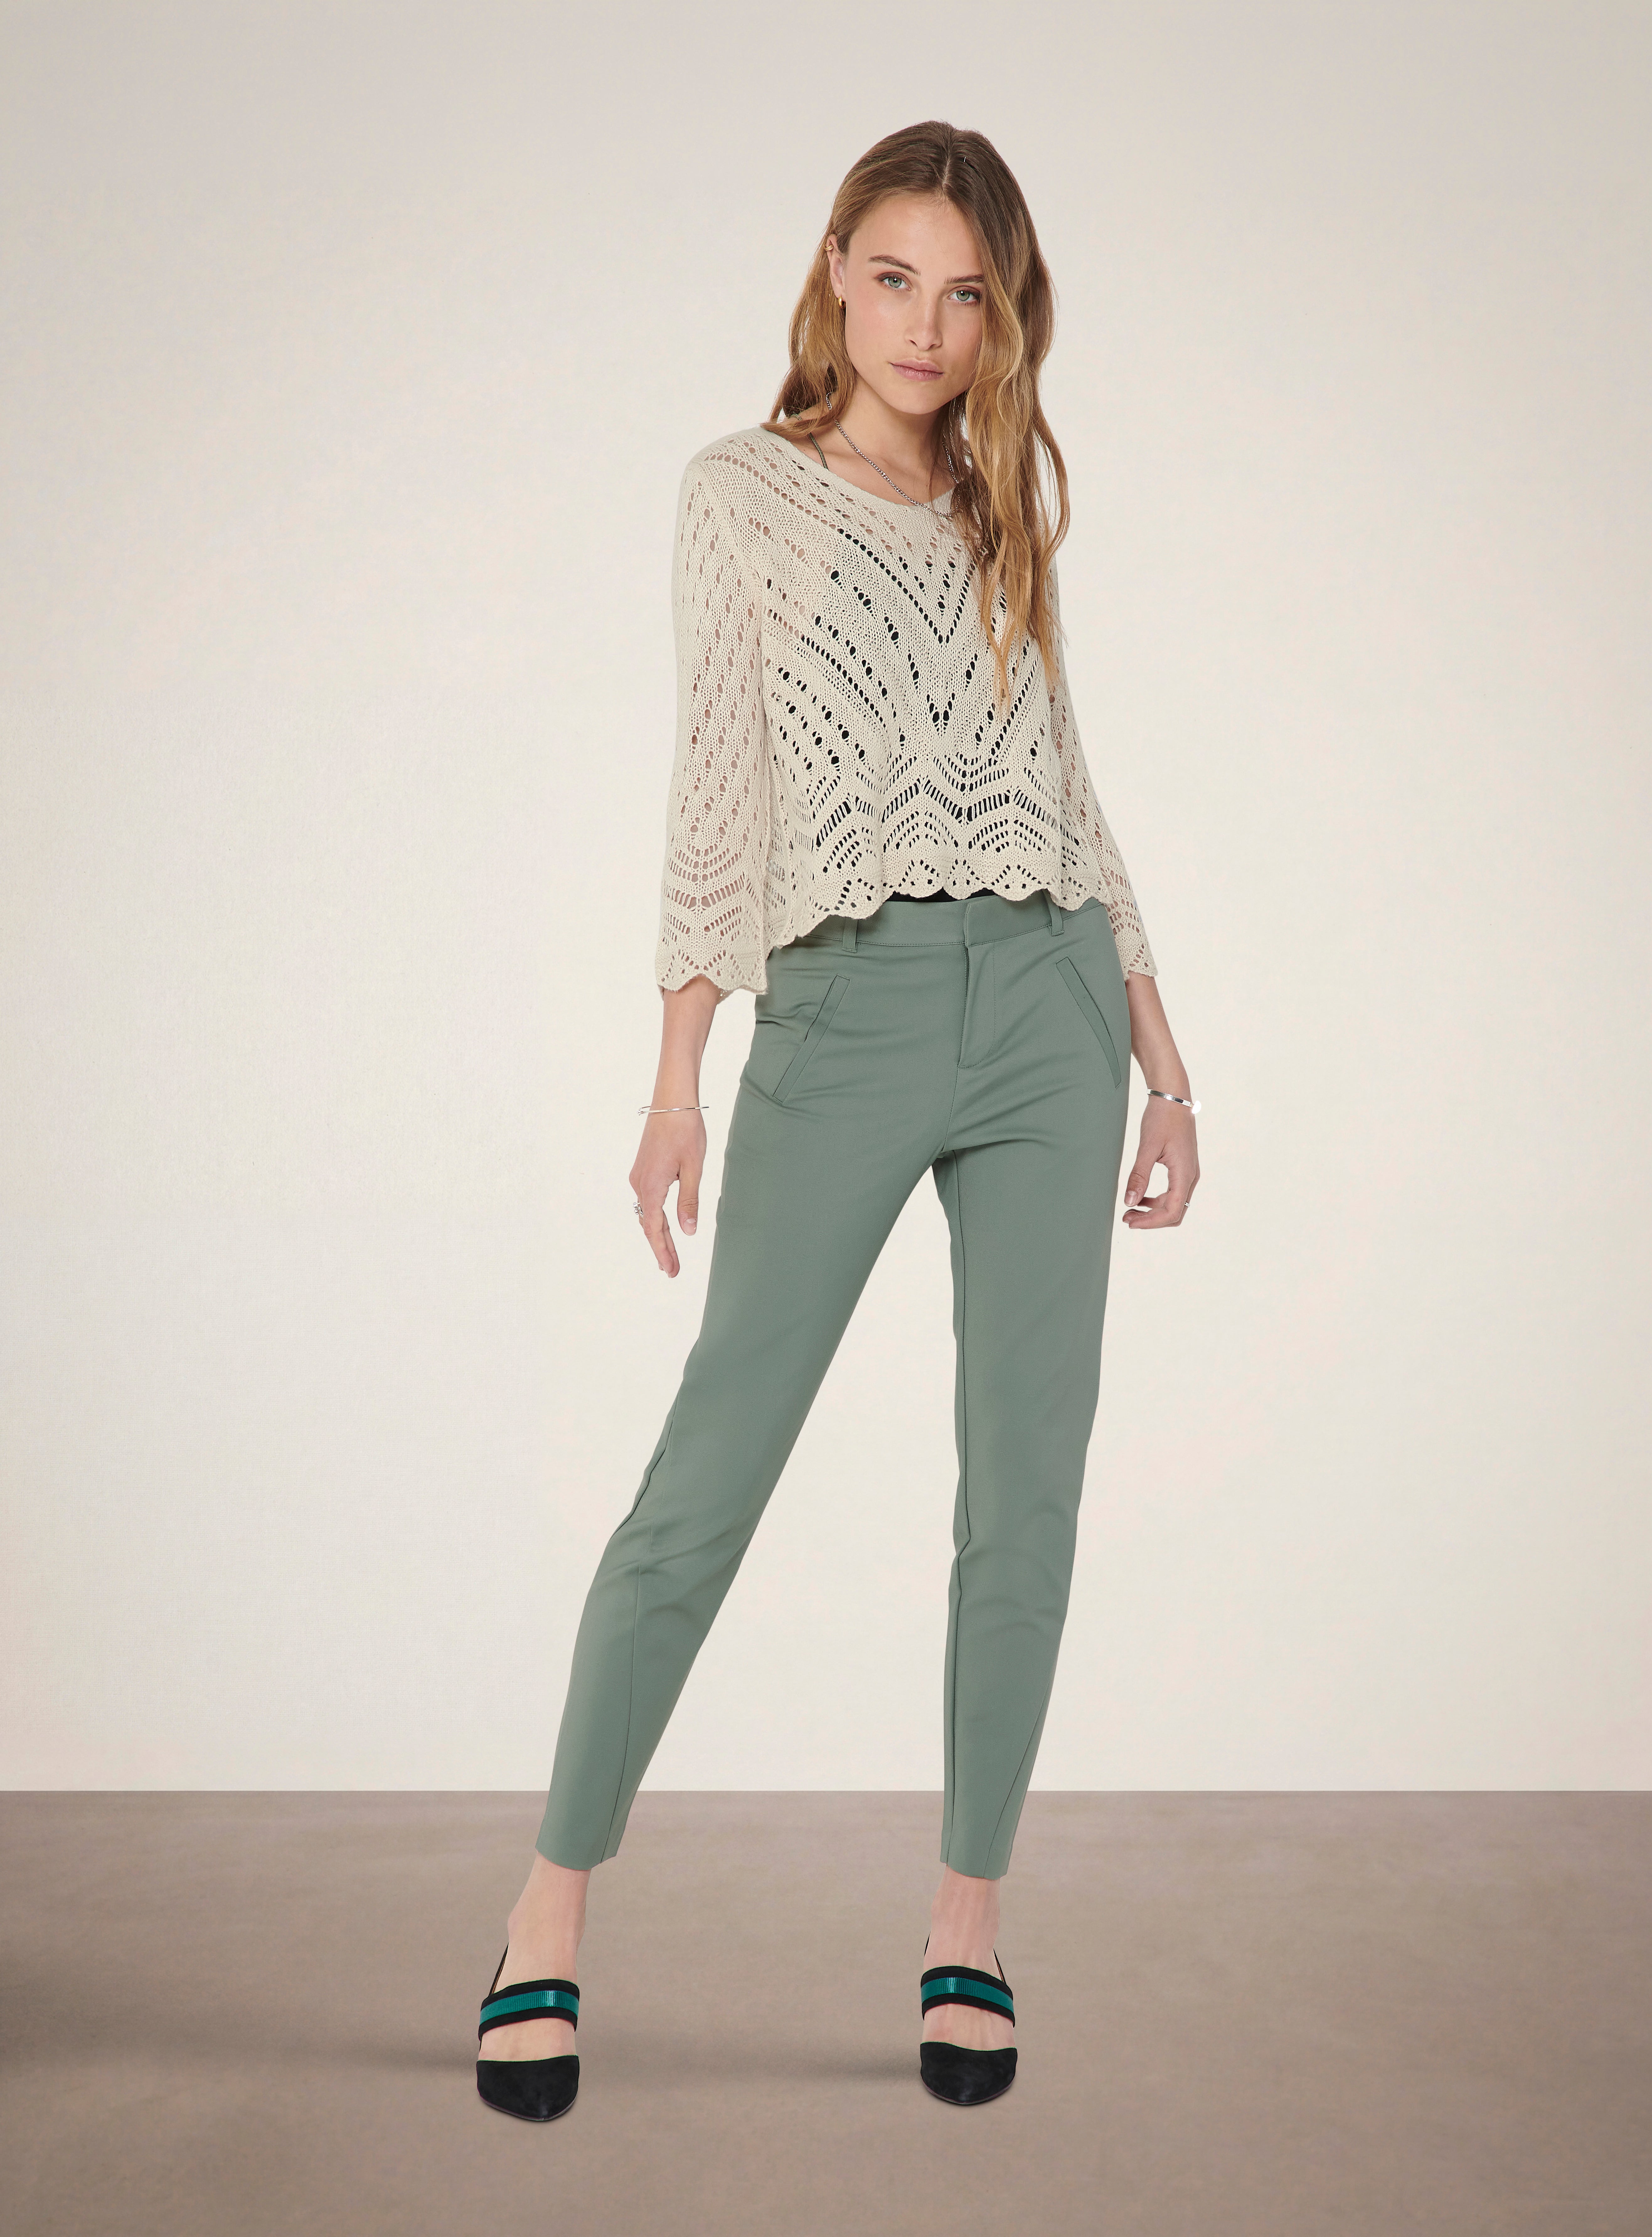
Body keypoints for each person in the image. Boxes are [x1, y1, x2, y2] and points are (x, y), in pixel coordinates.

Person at [474, 118, 1200, 2123]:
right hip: (850, 1004)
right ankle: (544, 1919)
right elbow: (717, 785)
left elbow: (1067, 787)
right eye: (894, 278)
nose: (926, 327)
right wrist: (676, 1077)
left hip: (1049, 1007)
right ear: (833, 276)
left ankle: (968, 1925)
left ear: (1002, 318)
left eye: (967, 294)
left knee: (1022, 1494)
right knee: (706, 1479)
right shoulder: (741, 495)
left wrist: (1161, 1055)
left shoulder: (1000, 507)